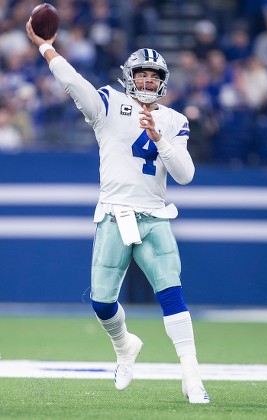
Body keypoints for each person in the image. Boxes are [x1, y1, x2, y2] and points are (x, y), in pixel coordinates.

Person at [26, 20, 210, 405]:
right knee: (102, 302)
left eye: (152, 75)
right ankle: (124, 345)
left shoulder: (174, 120)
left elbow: (186, 175)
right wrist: (47, 48)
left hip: (154, 215)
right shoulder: (109, 103)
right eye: (140, 74)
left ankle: (192, 375)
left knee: (172, 294)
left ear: (162, 80)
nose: (145, 81)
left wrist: (160, 139)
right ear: (129, 77)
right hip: (113, 213)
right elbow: (74, 83)